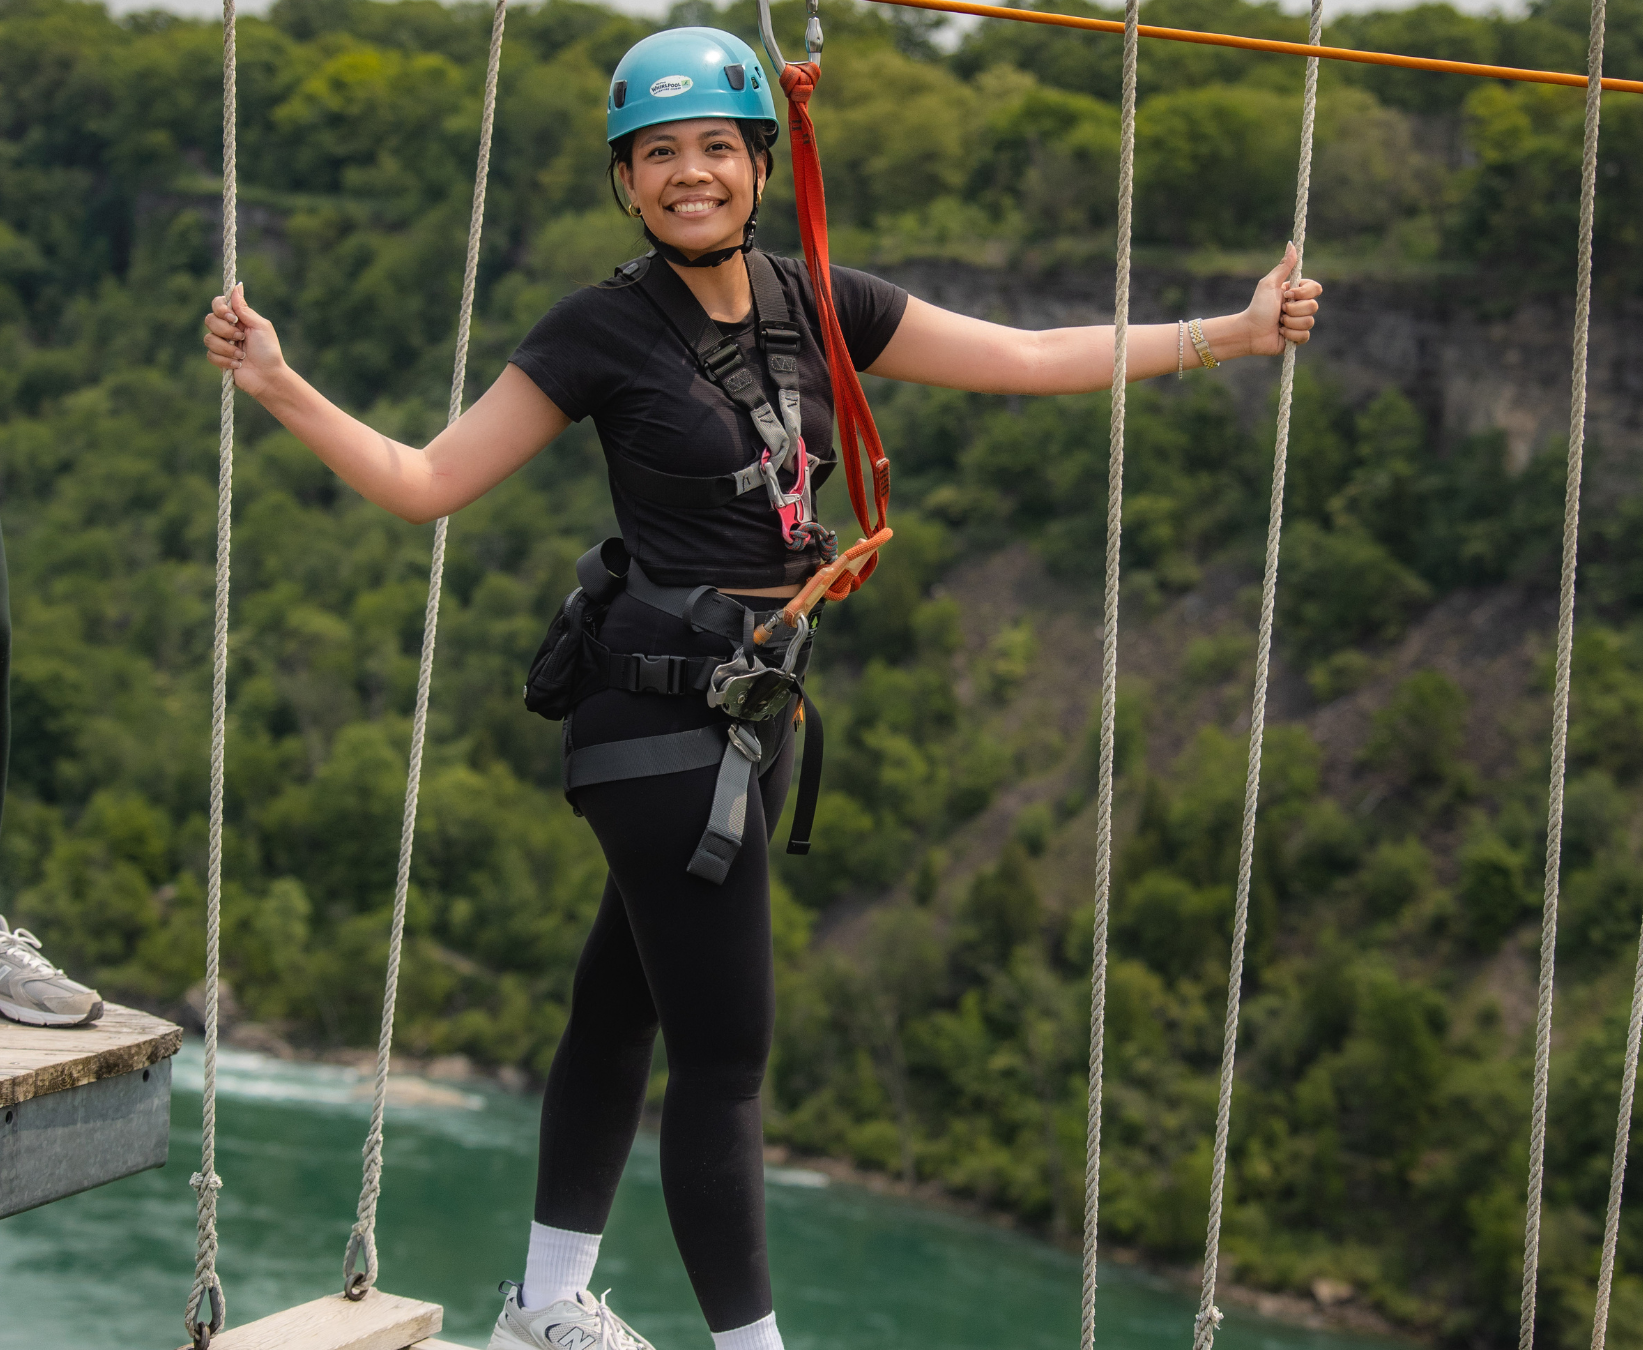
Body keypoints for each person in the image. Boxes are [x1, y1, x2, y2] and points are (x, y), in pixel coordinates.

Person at [202, 25, 1323, 1350]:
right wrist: (278, 386)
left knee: (620, 1007)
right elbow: (427, 481)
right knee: (724, 1063)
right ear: (627, 182)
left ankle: (544, 1304)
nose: (691, 176)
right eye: (660, 155)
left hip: (744, 719)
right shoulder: (600, 332)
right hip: (656, 727)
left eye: (715, 151)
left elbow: (1024, 357)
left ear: (757, 164)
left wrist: (1229, 336)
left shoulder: (818, 303)